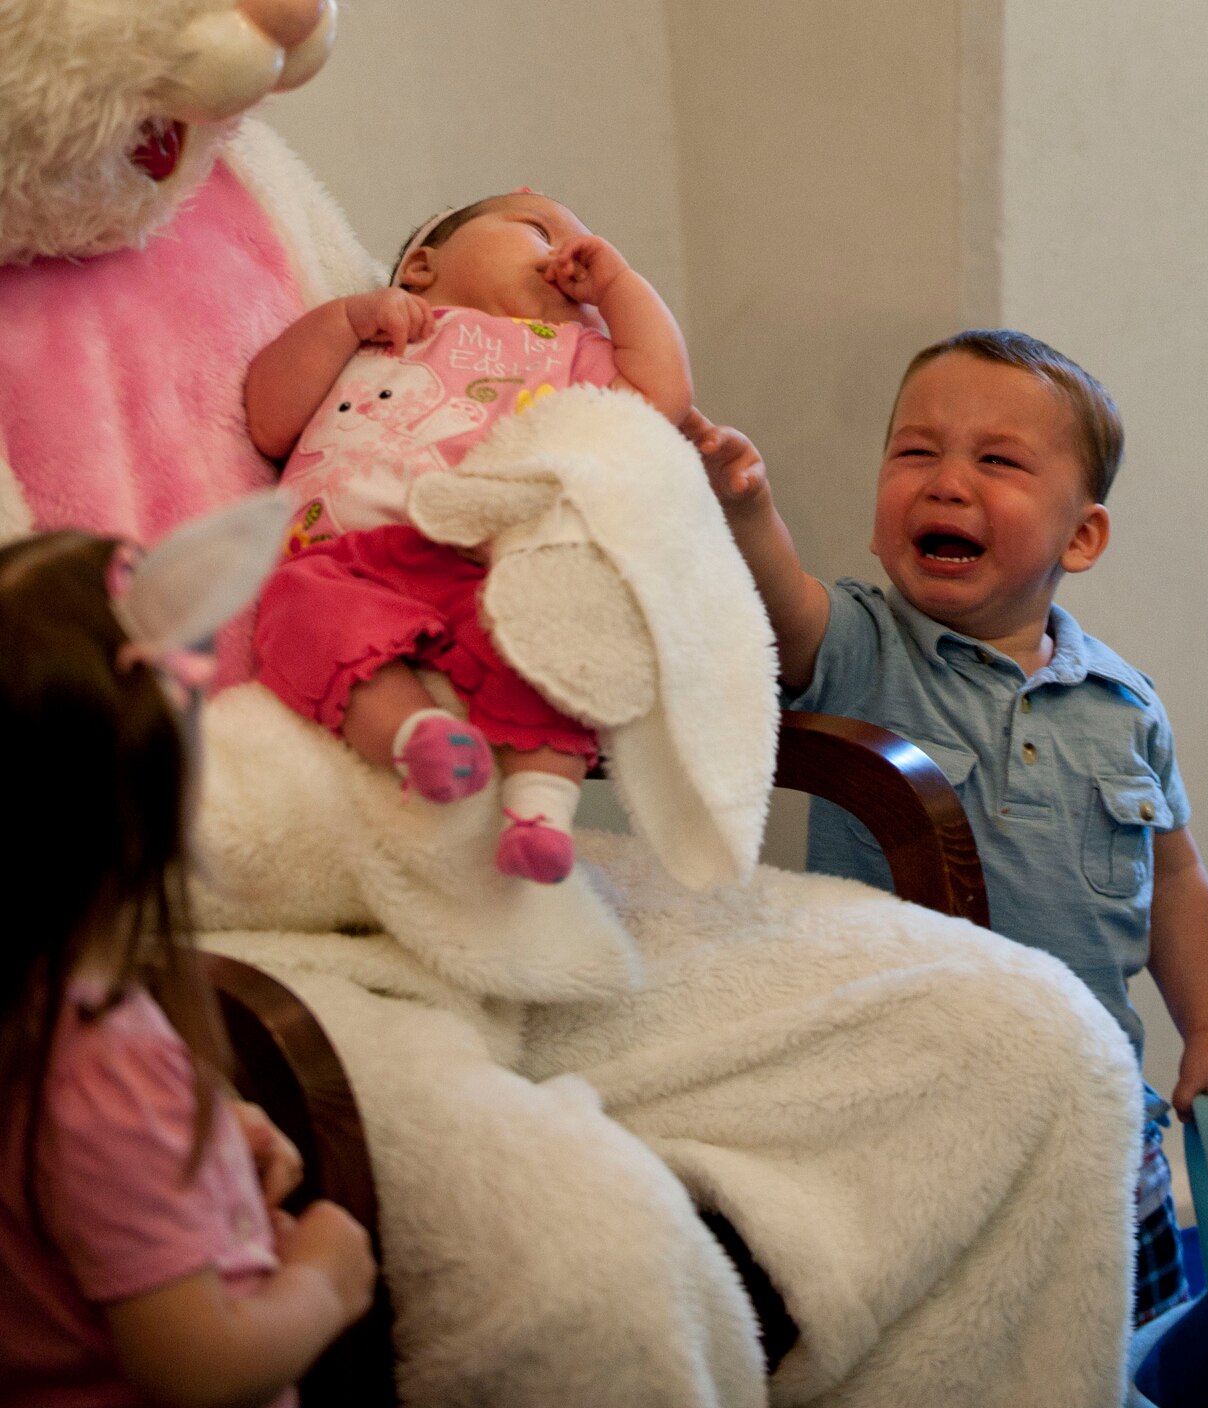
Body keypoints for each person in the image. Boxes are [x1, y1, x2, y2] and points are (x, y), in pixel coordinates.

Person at [687, 327, 1208, 1326]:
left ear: (1080, 537)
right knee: (950, 1346)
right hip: (913, 1109)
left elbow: (1174, 878)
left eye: (995, 459)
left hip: (1093, 1110)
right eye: (915, 452)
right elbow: (779, 605)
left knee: (1110, 1344)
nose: (946, 481)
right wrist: (745, 510)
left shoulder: (1126, 704)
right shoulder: (863, 647)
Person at [0, 526, 376, 1407]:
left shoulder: (34, 1013)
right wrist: (325, 1277)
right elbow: (197, 1368)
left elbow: (78, 1193)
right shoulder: (106, 1068)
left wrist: (204, 1142)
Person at [247, 189, 692, 884]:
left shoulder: (576, 350)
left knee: (549, 638)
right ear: (422, 265)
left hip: (481, 562)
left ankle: (540, 803)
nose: (567, 254)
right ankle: (417, 737)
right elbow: (268, 418)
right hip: (341, 556)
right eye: (538, 229)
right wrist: (340, 320)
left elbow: (660, 401)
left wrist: (619, 284)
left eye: (584, 248)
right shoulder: (381, 329)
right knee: (300, 612)